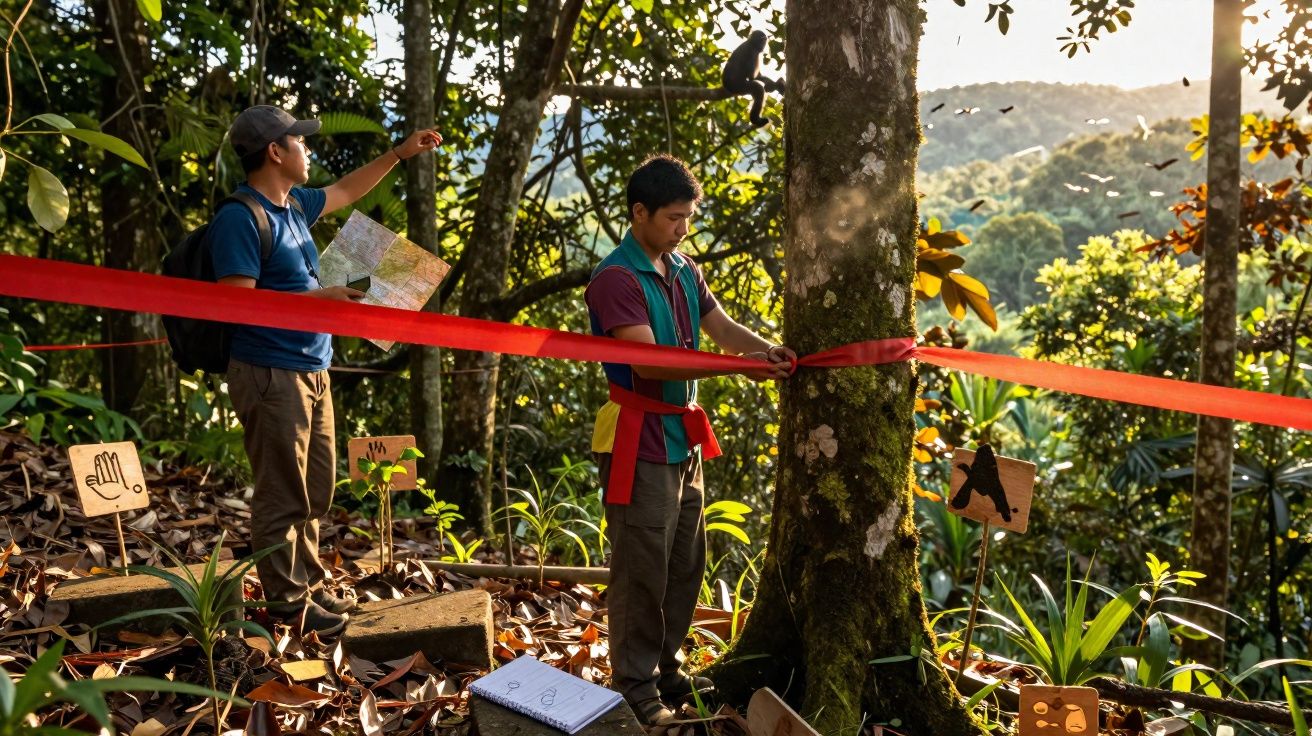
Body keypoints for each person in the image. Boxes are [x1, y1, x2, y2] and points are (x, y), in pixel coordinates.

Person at [211, 105, 440, 637]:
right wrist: (322, 299)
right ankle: (287, 603)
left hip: (314, 368)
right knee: (282, 490)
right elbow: (238, 306)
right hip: (270, 372)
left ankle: (308, 583)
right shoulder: (240, 219)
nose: (308, 150)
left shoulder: (292, 207)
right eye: (300, 141)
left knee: (315, 488)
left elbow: (345, 191)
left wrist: (400, 154)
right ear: (275, 151)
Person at [585, 153, 796, 725]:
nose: (683, 228)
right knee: (641, 567)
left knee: (686, 563)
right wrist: (735, 369)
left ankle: (667, 666)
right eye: (674, 218)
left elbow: (721, 328)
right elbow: (652, 365)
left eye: (688, 218)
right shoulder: (615, 280)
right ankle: (634, 684)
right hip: (641, 436)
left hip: (685, 438)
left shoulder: (683, 269)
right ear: (640, 213)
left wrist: (763, 351)